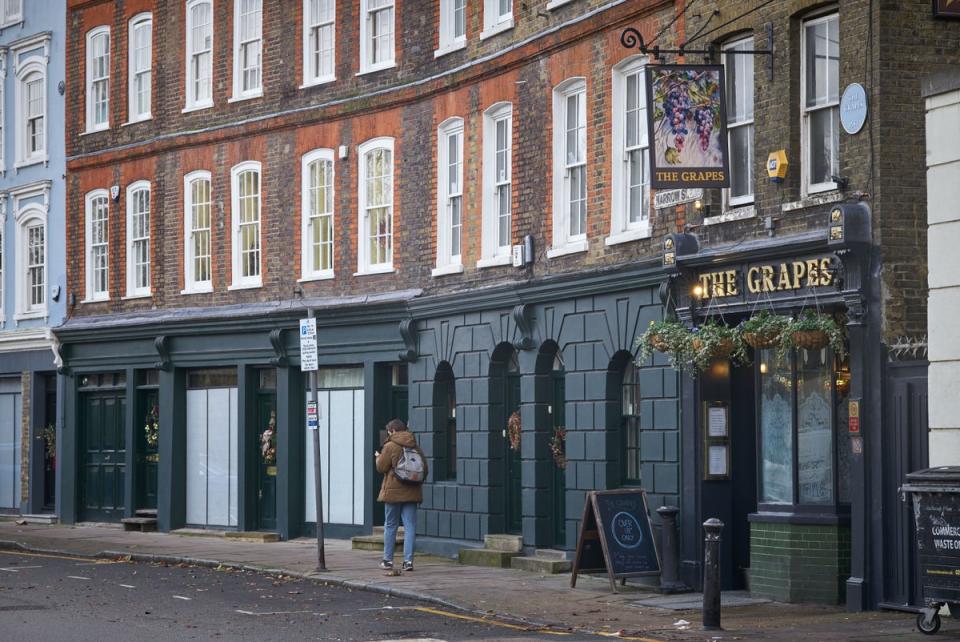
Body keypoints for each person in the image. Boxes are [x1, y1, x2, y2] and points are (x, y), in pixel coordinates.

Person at [375, 418, 427, 572]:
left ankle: (388, 561)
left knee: (391, 525)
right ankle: (408, 562)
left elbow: (381, 467)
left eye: (389, 432)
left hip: (393, 492)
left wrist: (378, 457)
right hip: (412, 491)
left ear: (393, 431)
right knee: (410, 526)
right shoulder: (415, 446)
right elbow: (425, 468)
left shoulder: (390, 445)